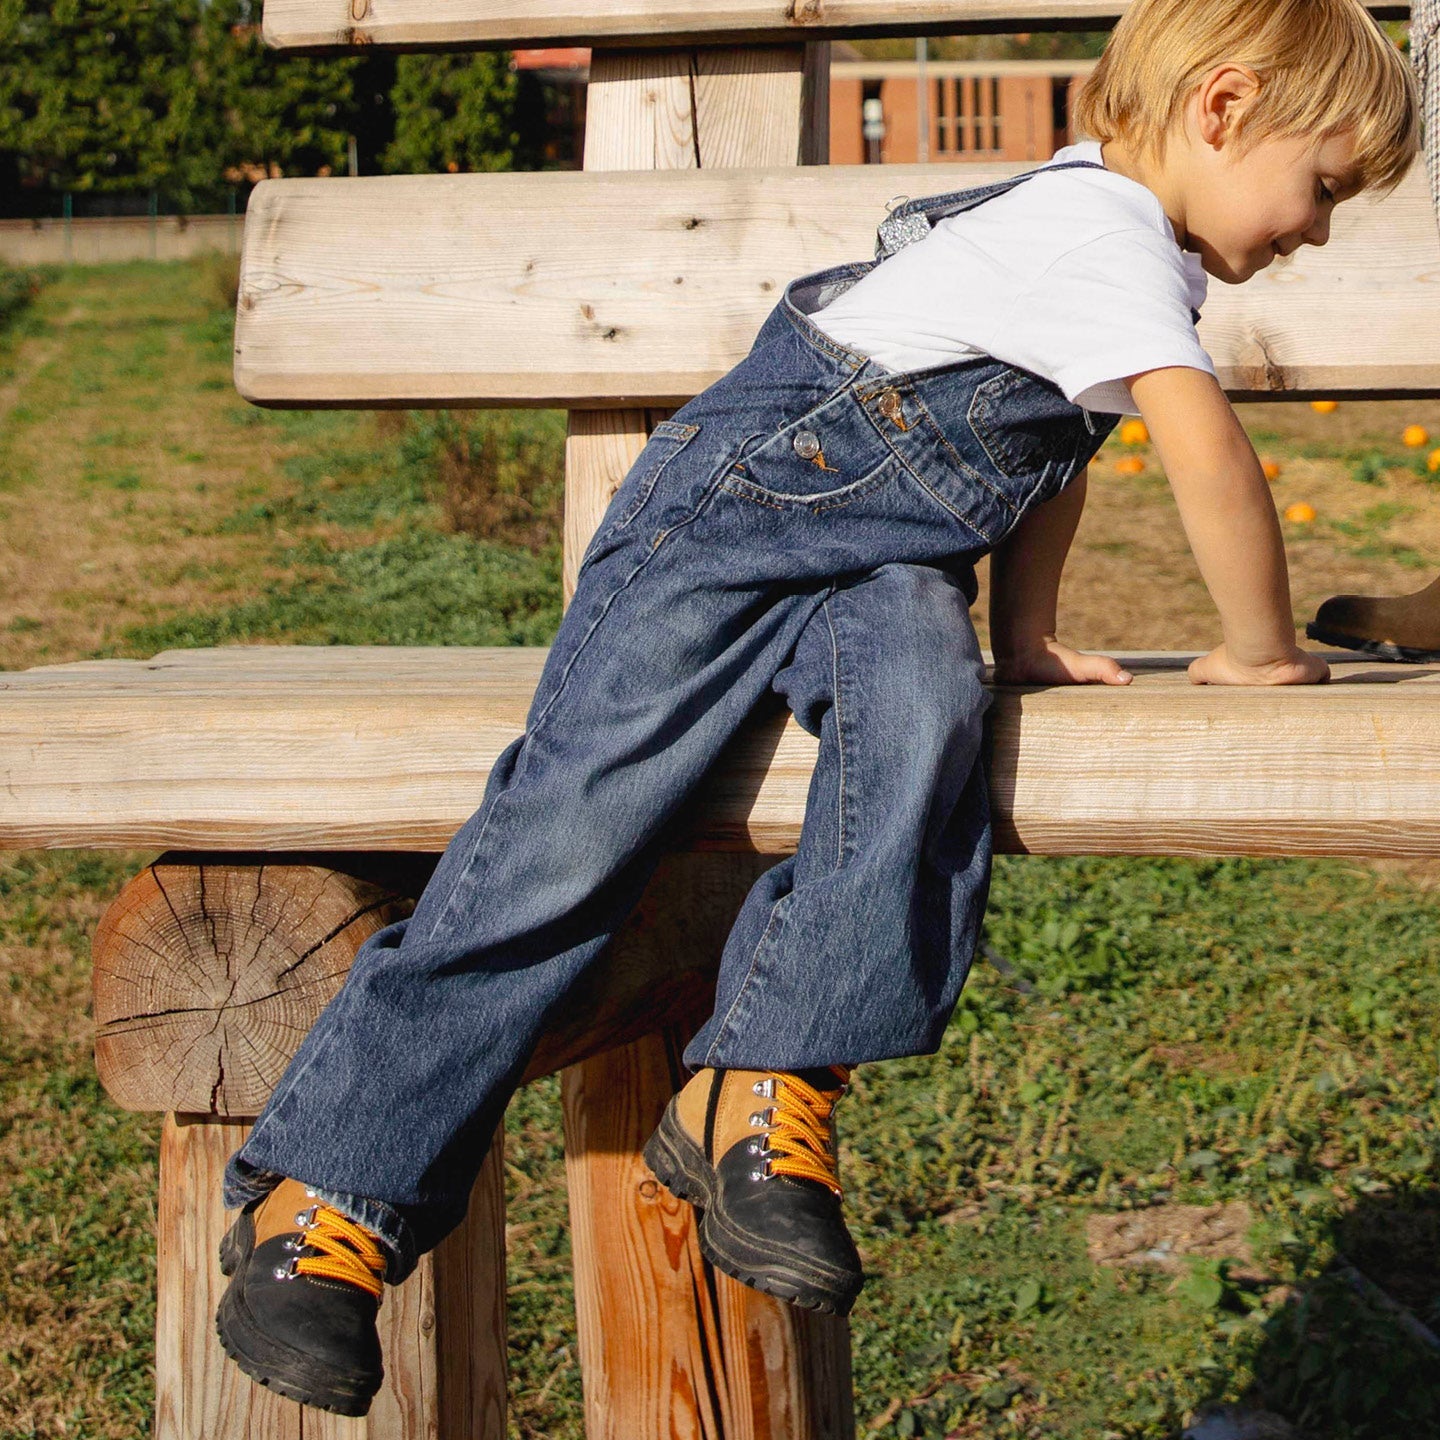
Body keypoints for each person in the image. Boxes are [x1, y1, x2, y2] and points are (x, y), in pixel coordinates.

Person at [213, 0, 1419, 1416]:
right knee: (570, 833)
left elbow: (1055, 446)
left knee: (923, 715)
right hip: (723, 535)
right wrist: (1258, 649)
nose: (1321, 229)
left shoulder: (1117, 247)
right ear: (1222, 109)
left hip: (882, 561)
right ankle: (326, 1195)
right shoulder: (1098, 233)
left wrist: (1023, 634)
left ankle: (763, 1081)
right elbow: (1196, 435)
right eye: (1324, 185)